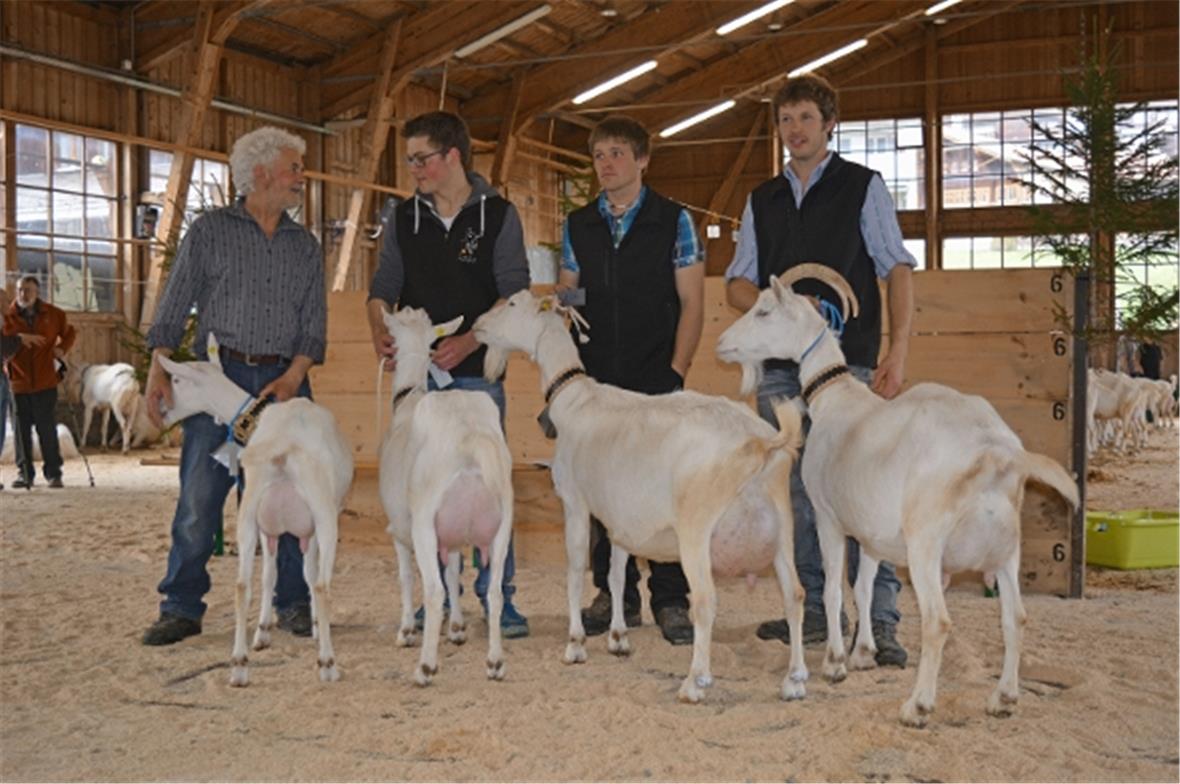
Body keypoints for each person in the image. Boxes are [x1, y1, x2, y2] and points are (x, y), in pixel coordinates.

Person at [724, 74, 915, 667]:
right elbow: (736, 283)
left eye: (806, 118)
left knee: (868, 485)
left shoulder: (863, 187)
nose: (795, 130)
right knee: (799, 492)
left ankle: (880, 621)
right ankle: (810, 612)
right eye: (786, 120)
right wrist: (775, 307)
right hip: (781, 372)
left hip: (846, 366)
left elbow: (897, 267)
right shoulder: (763, 200)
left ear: (829, 123)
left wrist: (898, 346)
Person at [140, 126, 326, 646]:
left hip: (284, 387)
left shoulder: (305, 246)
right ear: (262, 173)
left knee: (292, 497)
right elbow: (174, 305)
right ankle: (180, 605)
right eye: (294, 168)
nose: (301, 178)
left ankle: (293, 602)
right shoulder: (208, 232)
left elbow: (314, 323)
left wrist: (294, 377)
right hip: (215, 384)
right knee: (200, 497)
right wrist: (158, 368)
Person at [366, 110, 532, 639]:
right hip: (420, 388)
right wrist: (378, 327)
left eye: (422, 158)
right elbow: (382, 286)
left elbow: (515, 293)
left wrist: (471, 341)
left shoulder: (500, 216)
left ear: (453, 156)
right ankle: (435, 597)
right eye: (410, 159)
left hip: (479, 379)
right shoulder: (402, 217)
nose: (413, 168)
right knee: (421, 490)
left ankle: (498, 599)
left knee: (490, 488)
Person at [558, 115, 705, 646]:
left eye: (618, 153)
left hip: (656, 377)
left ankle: (671, 599)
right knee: (600, 489)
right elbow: (569, 296)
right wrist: (565, 318)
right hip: (597, 384)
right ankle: (613, 594)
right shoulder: (578, 225)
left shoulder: (673, 221)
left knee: (665, 489)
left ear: (643, 160)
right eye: (599, 155)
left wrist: (677, 372)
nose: (607, 165)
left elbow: (692, 303)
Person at [2, 275, 76, 489]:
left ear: (37, 292)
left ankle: (54, 473)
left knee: (47, 429)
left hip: (46, 381)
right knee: (20, 431)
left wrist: (62, 349)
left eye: (28, 290)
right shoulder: (8, 316)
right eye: (20, 290)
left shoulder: (54, 314)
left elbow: (69, 333)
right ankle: (25, 474)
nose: (23, 294)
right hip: (17, 381)